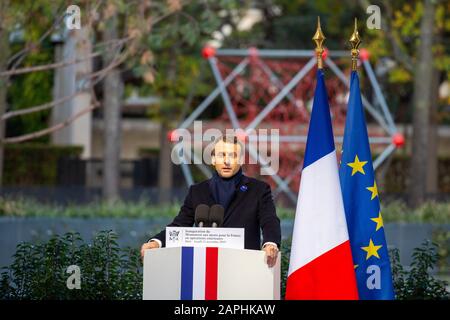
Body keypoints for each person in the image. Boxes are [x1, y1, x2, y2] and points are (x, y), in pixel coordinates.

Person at [140, 134, 281, 267]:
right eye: (221, 155)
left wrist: (270, 243)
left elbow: (269, 220)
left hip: (243, 268)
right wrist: (156, 242)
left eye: (232, 156)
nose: (226, 161)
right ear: (213, 159)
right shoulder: (197, 191)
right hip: (204, 270)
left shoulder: (259, 190)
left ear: (241, 159)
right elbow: (180, 225)